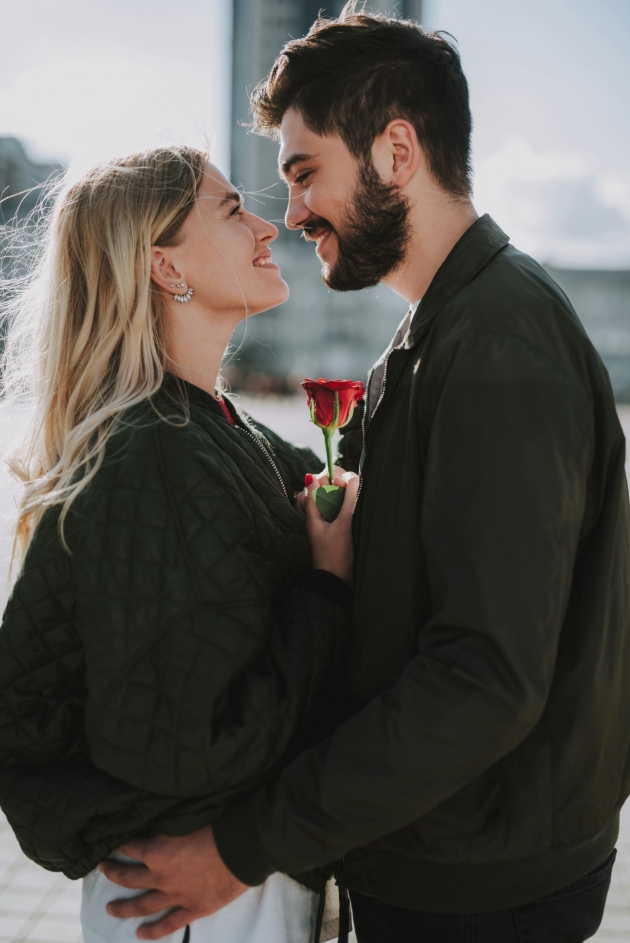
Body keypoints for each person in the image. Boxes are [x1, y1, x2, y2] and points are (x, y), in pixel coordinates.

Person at [102, 6, 630, 943]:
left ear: (395, 152)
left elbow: (483, 677)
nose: (292, 211)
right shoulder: (437, 334)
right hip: (451, 856)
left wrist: (239, 847)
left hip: (483, 893)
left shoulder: (500, 341)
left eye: (305, 173)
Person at [0, 145, 360, 943]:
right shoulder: (155, 454)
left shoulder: (209, 426)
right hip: (199, 903)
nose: (269, 224)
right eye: (233, 210)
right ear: (164, 267)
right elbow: (194, 748)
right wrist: (327, 587)